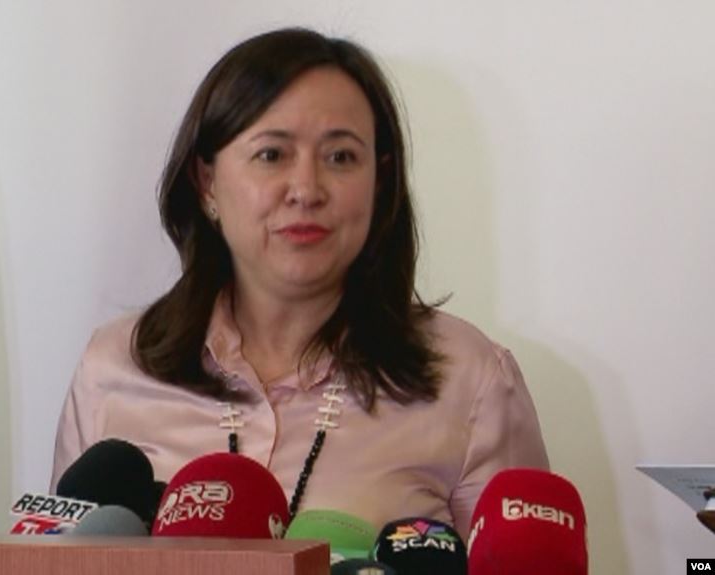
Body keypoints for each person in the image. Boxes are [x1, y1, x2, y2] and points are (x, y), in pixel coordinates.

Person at [50, 27, 547, 540]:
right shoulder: (112, 368)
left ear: (379, 182)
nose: (307, 190)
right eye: (272, 155)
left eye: (341, 157)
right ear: (207, 183)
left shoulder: (470, 381)